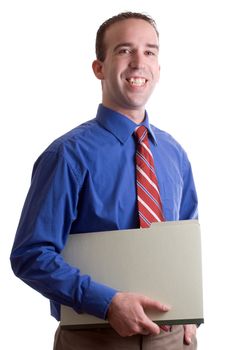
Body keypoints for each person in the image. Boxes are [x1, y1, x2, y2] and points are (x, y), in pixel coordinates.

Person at [10, 12, 198, 350]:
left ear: (158, 67)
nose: (139, 62)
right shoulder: (67, 154)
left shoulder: (174, 154)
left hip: (172, 339)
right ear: (99, 67)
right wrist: (108, 303)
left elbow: (186, 242)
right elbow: (31, 254)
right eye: (125, 50)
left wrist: (191, 318)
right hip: (96, 337)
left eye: (150, 52)